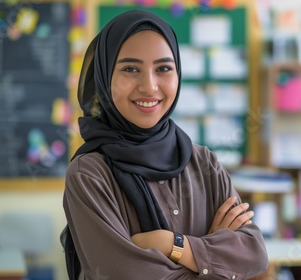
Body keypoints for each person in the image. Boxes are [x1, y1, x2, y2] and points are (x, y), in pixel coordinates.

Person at [61, 9, 268, 280]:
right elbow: (122, 275)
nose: (149, 86)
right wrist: (213, 256)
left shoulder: (203, 162)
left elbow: (254, 255)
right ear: (104, 76)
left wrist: (170, 244)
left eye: (163, 69)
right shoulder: (90, 173)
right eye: (130, 69)